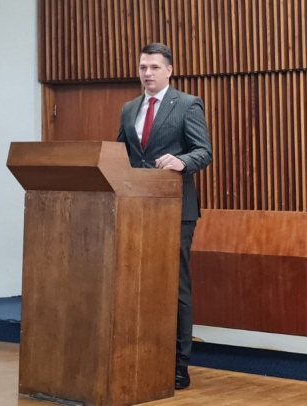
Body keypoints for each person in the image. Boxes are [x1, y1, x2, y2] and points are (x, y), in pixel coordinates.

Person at [116, 43, 213, 390]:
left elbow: (204, 152)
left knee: (175, 285)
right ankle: (142, 355)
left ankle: (178, 365)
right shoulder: (129, 109)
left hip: (175, 209)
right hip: (136, 209)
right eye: (143, 67)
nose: (147, 73)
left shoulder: (187, 104)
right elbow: (121, 155)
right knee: (138, 283)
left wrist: (181, 161)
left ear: (169, 70)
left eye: (154, 67)